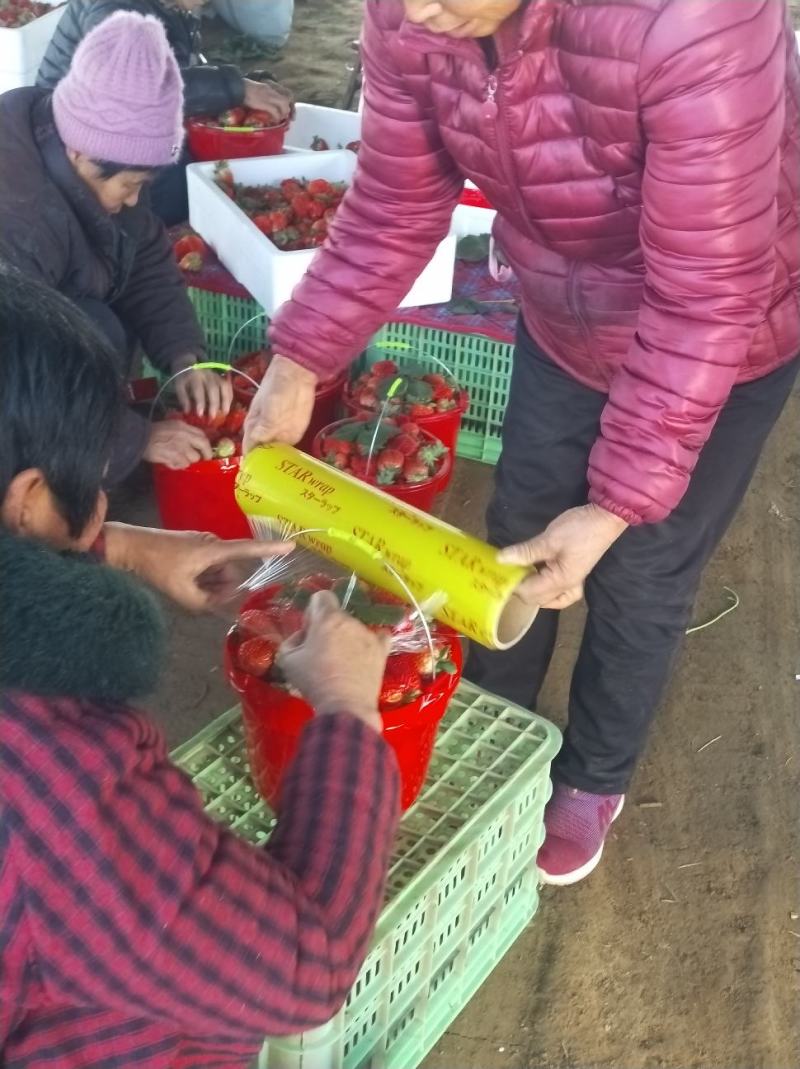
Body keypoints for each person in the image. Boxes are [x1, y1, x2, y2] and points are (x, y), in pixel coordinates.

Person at [244, 0, 800, 885]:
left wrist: (618, 501)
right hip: (560, 315)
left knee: (641, 570)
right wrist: (300, 361)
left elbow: (705, 295)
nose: (413, 7)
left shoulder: (698, 19)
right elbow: (392, 200)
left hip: (723, 340)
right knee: (520, 530)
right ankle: (497, 723)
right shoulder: (412, 14)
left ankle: (592, 774)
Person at [0, 261, 399, 1067]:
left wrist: (128, 547)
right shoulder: (49, 774)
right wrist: (349, 712)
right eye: (102, 484)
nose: (109, 499)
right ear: (32, 499)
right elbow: (308, 966)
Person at [0, 11, 233, 483]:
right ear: (80, 155)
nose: (133, 199)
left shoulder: (76, 140)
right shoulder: (18, 219)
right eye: (129, 184)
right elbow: (18, 370)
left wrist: (182, 357)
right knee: (94, 332)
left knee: (99, 326)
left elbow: (145, 255)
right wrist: (131, 439)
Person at [37, 0, 293, 225]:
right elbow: (134, 90)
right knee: (176, 183)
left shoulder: (172, 6)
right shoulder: (116, 9)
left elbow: (177, 68)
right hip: (74, 140)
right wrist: (235, 88)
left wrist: (241, 89)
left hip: (114, 129)